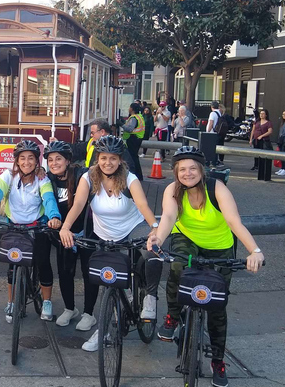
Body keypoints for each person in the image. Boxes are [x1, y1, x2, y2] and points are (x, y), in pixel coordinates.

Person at [148, 146, 265, 387]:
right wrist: (158, 237)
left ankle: (218, 360)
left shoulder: (217, 188)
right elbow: (169, 217)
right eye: (182, 169)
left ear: (201, 170)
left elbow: (234, 222)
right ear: (176, 172)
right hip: (186, 238)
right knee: (178, 267)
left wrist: (255, 251)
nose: (187, 173)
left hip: (219, 245)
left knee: (216, 306)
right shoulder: (173, 190)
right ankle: (172, 316)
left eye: (192, 168)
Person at [59, 135, 163, 351]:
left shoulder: (130, 178)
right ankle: (104, 330)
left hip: (133, 227)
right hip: (104, 234)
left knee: (153, 253)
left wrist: (155, 228)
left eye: (113, 158)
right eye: (104, 158)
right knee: (108, 282)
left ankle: (150, 298)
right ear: (98, 158)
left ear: (120, 160)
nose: (108, 162)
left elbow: (142, 204)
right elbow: (78, 204)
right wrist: (65, 227)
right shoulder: (89, 177)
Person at [0, 140, 62, 323]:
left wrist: (54, 216)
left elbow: (48, 198)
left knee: (43, 263)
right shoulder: (9, 175)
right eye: (22, 158)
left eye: (31, 158)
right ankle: (11, 301)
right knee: (12, 266)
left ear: (37, 161)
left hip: (37, 226)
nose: (27, 162)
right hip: (15, 226)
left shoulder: (42, 178)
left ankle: (47, 302)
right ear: (17, 161)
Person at [43, 141, 97, 329]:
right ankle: (69, 308)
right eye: (50, 160)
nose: (54, 163)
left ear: (68, 160)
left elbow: (80, 202)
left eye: (59, 159)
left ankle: (89, 313)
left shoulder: (81, 175)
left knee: (88, 273)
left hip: (85, 230)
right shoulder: (48, 179)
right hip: (63, 233)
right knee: (65, 271)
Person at [51, 118, 135, 172]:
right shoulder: (92, 142)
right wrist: (59, 143)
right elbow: (77, 149)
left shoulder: (118, 146)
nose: (91, 135)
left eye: (92, 133)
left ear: (102, 132)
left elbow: (129, 167)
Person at [122, 103, 146, 180]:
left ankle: (135, 175)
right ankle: (139, 175)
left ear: (132, 109)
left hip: (133, 139)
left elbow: (129, 129)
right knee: (135, 157)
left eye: (129, 107)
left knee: (132, 158)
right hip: (138, 138)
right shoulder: (139, 116)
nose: (128, 109)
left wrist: (121, 124)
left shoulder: (133, 118)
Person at [206, 101, 226, 167]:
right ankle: (215, 161)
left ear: (212, 107)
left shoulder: (212, 113)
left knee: (209, 148)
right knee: (215, 148)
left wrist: (207, 132)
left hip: (212, 133)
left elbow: (211, 123)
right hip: (217, 133)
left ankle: (209, 162)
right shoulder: (219, 113)